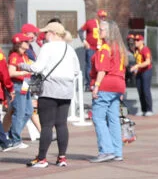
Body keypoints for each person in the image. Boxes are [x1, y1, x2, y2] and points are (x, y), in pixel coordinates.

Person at [19, 22, 81, 168]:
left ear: (52, 33)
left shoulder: (47, 47)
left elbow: (37, 68)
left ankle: (41, 159)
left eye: (46, 32)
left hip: (49, 90)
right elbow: (76, 70)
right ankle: (62, 158)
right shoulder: (69, 48)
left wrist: (23, 66)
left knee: (46, 125)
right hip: (66, 91)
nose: (44, 35)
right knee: (61, 124)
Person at [88, 21, 128, 163]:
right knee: (113, 119)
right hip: (118, 85)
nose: (99, 31)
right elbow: (122, 69)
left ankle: (106, 151)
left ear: (110, 31)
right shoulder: (119, 48)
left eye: (102, 29)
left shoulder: (106, 47)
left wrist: (97, 86)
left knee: (98, 117)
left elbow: (102, 69)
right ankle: (117, 152)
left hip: (107, 85)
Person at [3, 34, 33, 151]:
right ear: (19, 43)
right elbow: (11, 72)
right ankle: (15, 139)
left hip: (25, 85)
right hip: (18, 86)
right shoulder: (14, 56)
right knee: (19, 113)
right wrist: (24, 73)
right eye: (25, 41)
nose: (28, 43)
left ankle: (13, 134)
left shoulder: (25, 55)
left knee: (28, 112)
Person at [129, 34, 154, 115]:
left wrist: (137, 66)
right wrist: (136, 68)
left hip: (146, 71)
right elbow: (137, 60)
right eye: (135, 40)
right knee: (140, 90)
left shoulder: (145, 49)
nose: (136, 42)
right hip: (139, 71)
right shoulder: (136, 49)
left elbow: (148, 62)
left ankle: (149, 109)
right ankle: (143, 110)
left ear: (142, 41)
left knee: (146, 89)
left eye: (138, 40)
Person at [79, 9, 107, 78]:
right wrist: (84, 41)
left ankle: (98, 82)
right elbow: (80, 31)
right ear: (97, 16)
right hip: (91, 48)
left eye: (104, 17)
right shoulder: (90, 23)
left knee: (101, 66)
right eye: (101, 16)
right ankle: (88, 84)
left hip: (101, 49)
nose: (102, 18)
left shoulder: (105, 25)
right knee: (90, 65)